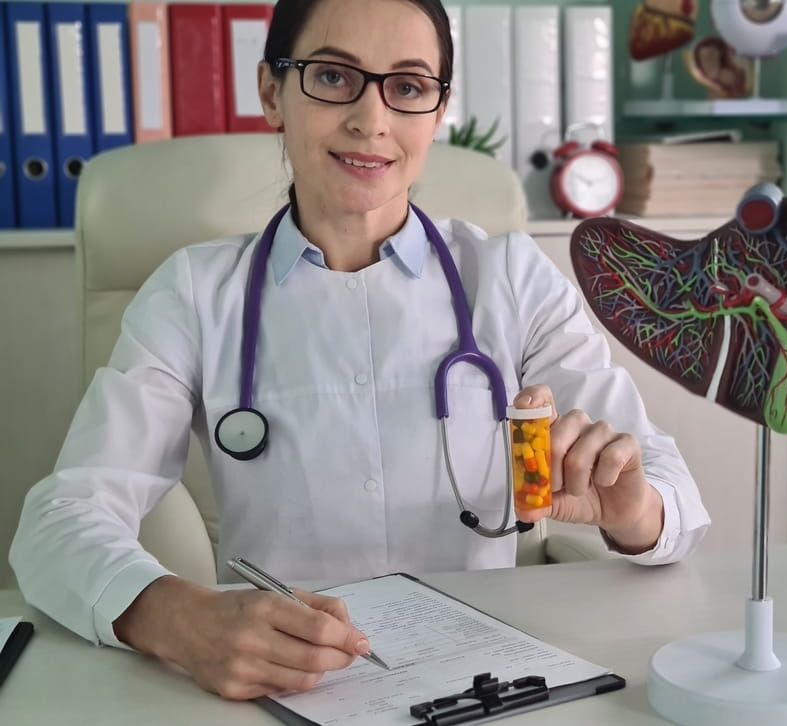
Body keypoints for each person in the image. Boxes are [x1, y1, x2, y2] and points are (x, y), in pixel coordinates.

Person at [9, 0, 710, 702]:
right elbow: (57, 525)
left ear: (437, 112)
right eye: (333, 76)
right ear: (270, 93)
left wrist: (634, 509)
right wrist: (177, 618)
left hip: (488, 688)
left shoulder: (510, 280)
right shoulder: (194, 293)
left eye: (407, 87)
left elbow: (672, 493)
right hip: (282, 692)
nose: (371, 119)